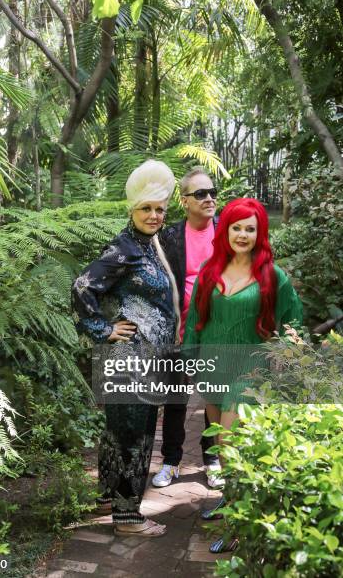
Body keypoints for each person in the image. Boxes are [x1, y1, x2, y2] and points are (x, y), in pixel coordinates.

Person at [183, 197, 303, 552]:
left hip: (250, 372)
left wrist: (288, 355)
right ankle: (230, 499)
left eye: (250, 228)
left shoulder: (272, 275)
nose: (243, 234)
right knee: (220, 442)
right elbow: (194, 320)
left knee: (231, 445)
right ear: (226, 230)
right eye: (237, 227)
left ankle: (239, 523)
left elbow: (293, 323)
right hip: (213, 365)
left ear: (259, 233)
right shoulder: (209, 269)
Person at [72, 160, 180, 537]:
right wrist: (102, 329)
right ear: (132, 209)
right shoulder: (123, 248)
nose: (153, 215)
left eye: (159, 209)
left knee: (120, 431)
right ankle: (128, 517)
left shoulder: (148, 245)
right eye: (146, 208)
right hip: (131, 360)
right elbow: (83, 287)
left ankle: (108, 497)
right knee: (135, 433)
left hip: (144, 361)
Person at [152, 166, 222, 489]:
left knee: (214, 397)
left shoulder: (227, 231)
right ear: (185, 201)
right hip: (179, 332)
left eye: (212, 192)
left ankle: (212, 459)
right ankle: (170, 460)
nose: (209, 199)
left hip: (217, 333)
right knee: (176, 399)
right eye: (200, 194)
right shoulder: (169, 236)